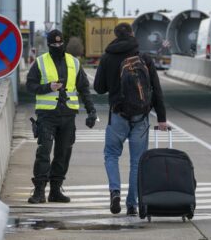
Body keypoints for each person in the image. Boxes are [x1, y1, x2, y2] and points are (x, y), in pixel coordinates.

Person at [94, 23, 168, 217]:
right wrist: (161, 118)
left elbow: (99, 88)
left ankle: (115, 191)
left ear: (115, 35)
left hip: (118, 115)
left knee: (111, 155)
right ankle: (132, 204)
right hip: (140, 116)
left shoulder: (107, 57)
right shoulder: (144, 58)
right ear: (132, 35)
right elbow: (156, 90)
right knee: (137, 162)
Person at [25, 29, 97, 204]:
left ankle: (55, 190)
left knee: (63, 153)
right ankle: (39, 191)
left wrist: (91, 111)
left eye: (60, 43)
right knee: (44, 152)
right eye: (54, 44)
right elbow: (30, 85)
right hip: (47, 116)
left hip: (68, 115)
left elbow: (84, 89)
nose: (57, 46)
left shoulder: (74, 62)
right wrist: (48, 87)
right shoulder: (41, 62)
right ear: (49, 45)